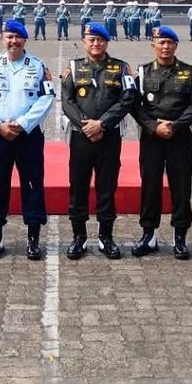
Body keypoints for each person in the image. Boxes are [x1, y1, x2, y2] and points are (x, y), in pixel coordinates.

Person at [0, 20, 56, 260]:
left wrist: (22, 124)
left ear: (24, 41)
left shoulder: (39, 66)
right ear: (3, 38)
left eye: (17, 38)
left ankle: (33, 239)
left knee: (32, 184)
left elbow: (47, 97)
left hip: (28, 135)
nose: (13, 41)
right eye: (9, 37)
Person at [60, 22, 137, 259]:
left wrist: (101, 124)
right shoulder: (73, 68)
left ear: (106, 42)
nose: (96, 44)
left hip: (109, 137)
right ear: (84, 42)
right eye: (91, 40)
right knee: (78, 187)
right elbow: (66, 101)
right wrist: (87, 126)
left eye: (100, 40)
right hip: (81, 137)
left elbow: (127, 99)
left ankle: (106, 236)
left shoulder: (122, 68)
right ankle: (79, 237)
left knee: (107, 187)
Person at [130, 26, 192, 259]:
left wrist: (174, 125)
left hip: (179, 138)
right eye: (161, 43)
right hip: (152, 138)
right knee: (150, 186)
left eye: (169, 43)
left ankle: (180, 236)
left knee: (181, 187)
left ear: (175, 46)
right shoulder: (142, 73)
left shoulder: (190, 72)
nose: (165, 47)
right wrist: (154, 126)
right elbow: (133, 104)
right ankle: (148, 235)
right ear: (153, 45)